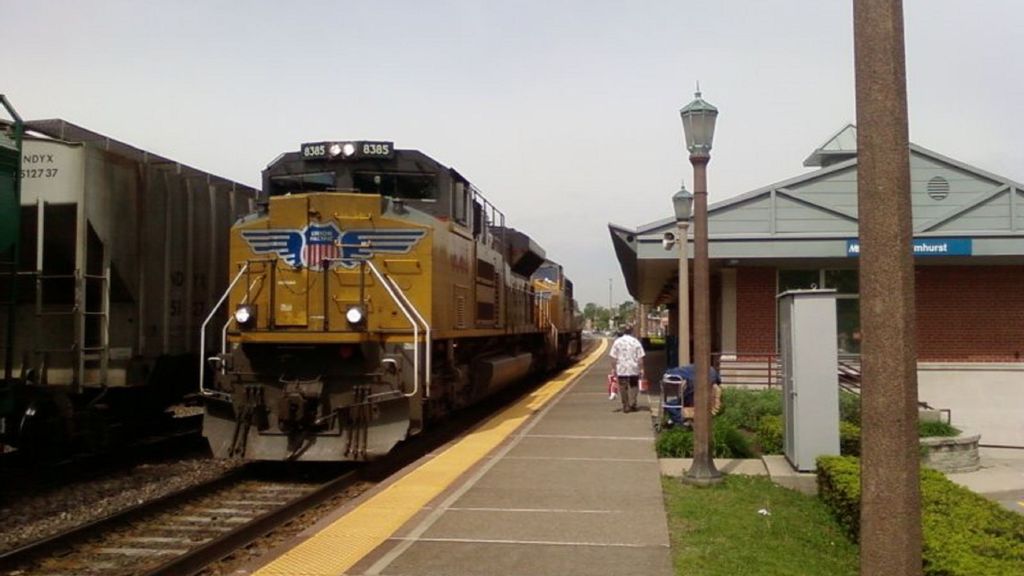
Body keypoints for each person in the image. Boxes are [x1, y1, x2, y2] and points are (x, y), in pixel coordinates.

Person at [609, 326, 645, 413]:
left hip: (622, 368)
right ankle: (633, 403)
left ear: (623, 332)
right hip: (633, 367)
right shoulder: (636, 342)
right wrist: (642, 369)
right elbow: (640, 358)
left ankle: (625, 405)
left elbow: (613, 357)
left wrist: (613, 368)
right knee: (634, 385)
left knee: (622, 386)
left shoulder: (617, 342)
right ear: (632, 332)